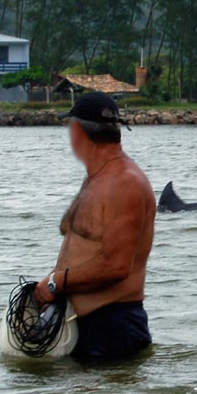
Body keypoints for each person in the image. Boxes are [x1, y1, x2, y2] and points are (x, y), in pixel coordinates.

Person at [33, 92, 156, 362]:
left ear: (77, 131)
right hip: (84, 324)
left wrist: (55, 282)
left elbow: (116, 266)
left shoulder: (125, 182)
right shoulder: (99, 176)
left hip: (113, 326)